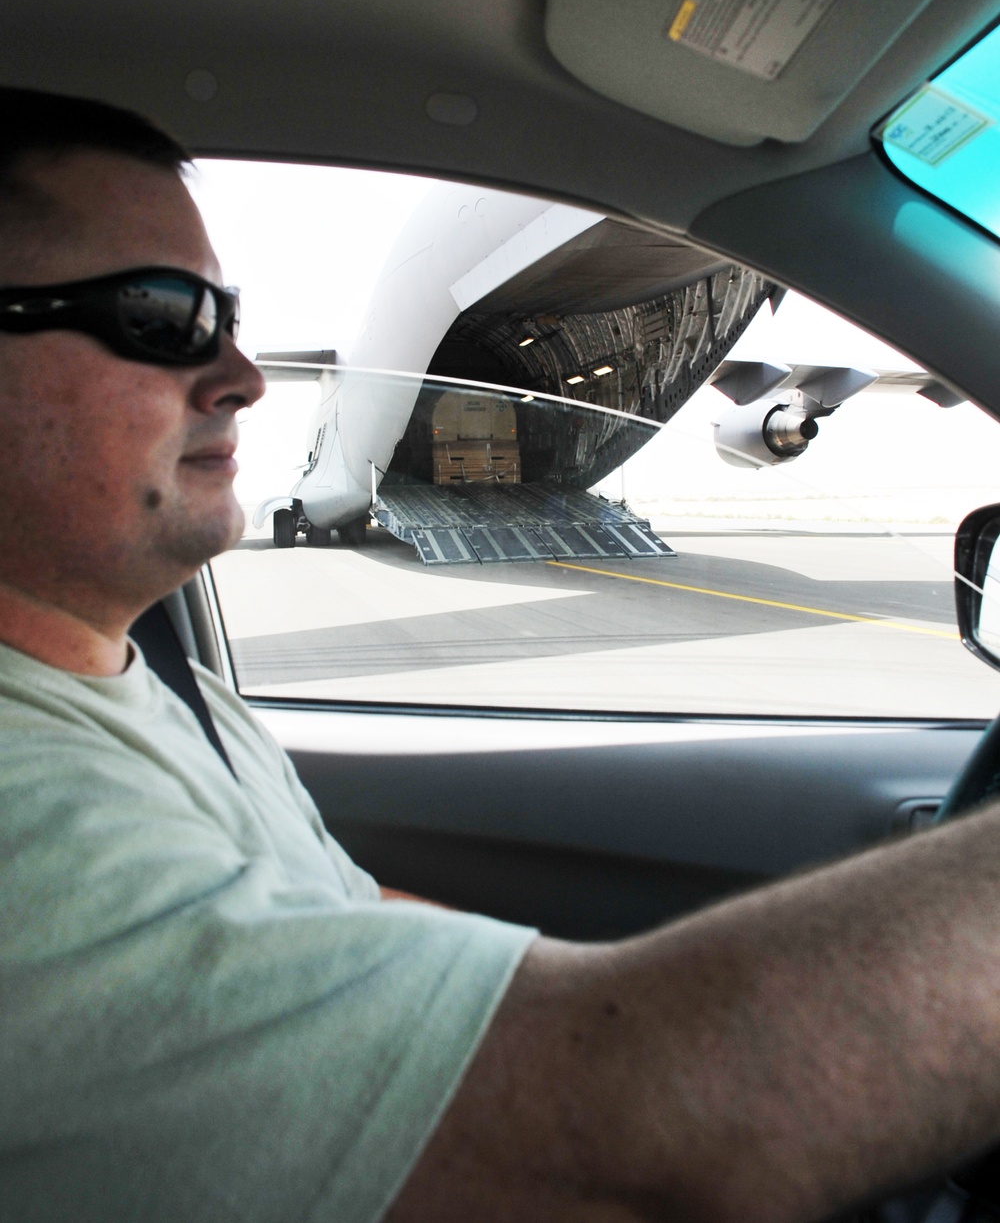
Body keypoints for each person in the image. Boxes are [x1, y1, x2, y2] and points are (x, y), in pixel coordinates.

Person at [2, 86, 1000, 1223]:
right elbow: (637, 1142)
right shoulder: (23, 808)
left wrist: (513, 992)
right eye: (161, 313)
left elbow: (341, 918)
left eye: (229, 316)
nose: (243, 376)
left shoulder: (146, 684)